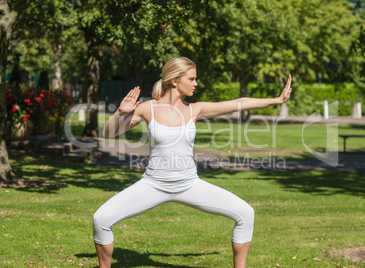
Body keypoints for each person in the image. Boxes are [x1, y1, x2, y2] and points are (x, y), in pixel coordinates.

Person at [93, 56, 292, 268]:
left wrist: (276, 100)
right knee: (101, 219)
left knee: (245, 213)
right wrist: (120, 112)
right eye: (192, 78)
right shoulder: (147, 108)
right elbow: (109, 132)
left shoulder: (194, 110)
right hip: (153, 184)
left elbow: (237, 104)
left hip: (189, 184)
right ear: (175, 80)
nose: (196, 83)